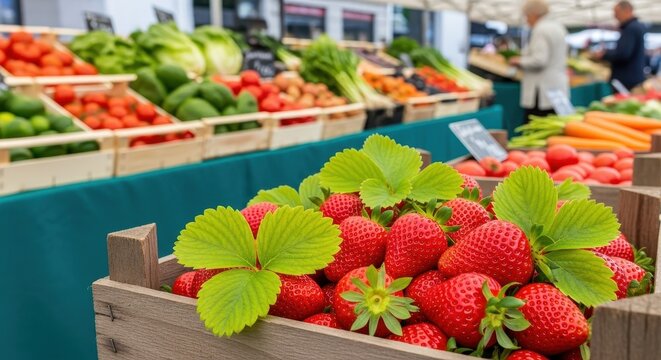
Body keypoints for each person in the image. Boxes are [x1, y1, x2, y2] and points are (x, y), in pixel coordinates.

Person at [509, 0, 568, 123]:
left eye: (527, 16)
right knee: (554, 125)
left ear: (534, 14)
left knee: (537, 125)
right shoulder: (558, 27)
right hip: (556, 86)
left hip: (541, 91)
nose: (526, 20)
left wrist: (519, 61)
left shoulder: (541, 30)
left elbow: (539, 60)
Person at [593, 1, 647, 90]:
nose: (615, 16)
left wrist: (604, 54)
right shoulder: (636, 27)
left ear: (627, 11)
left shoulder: (631, 28)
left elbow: (623, 54)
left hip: (627, 80)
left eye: (616, 13)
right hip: (633, 77)